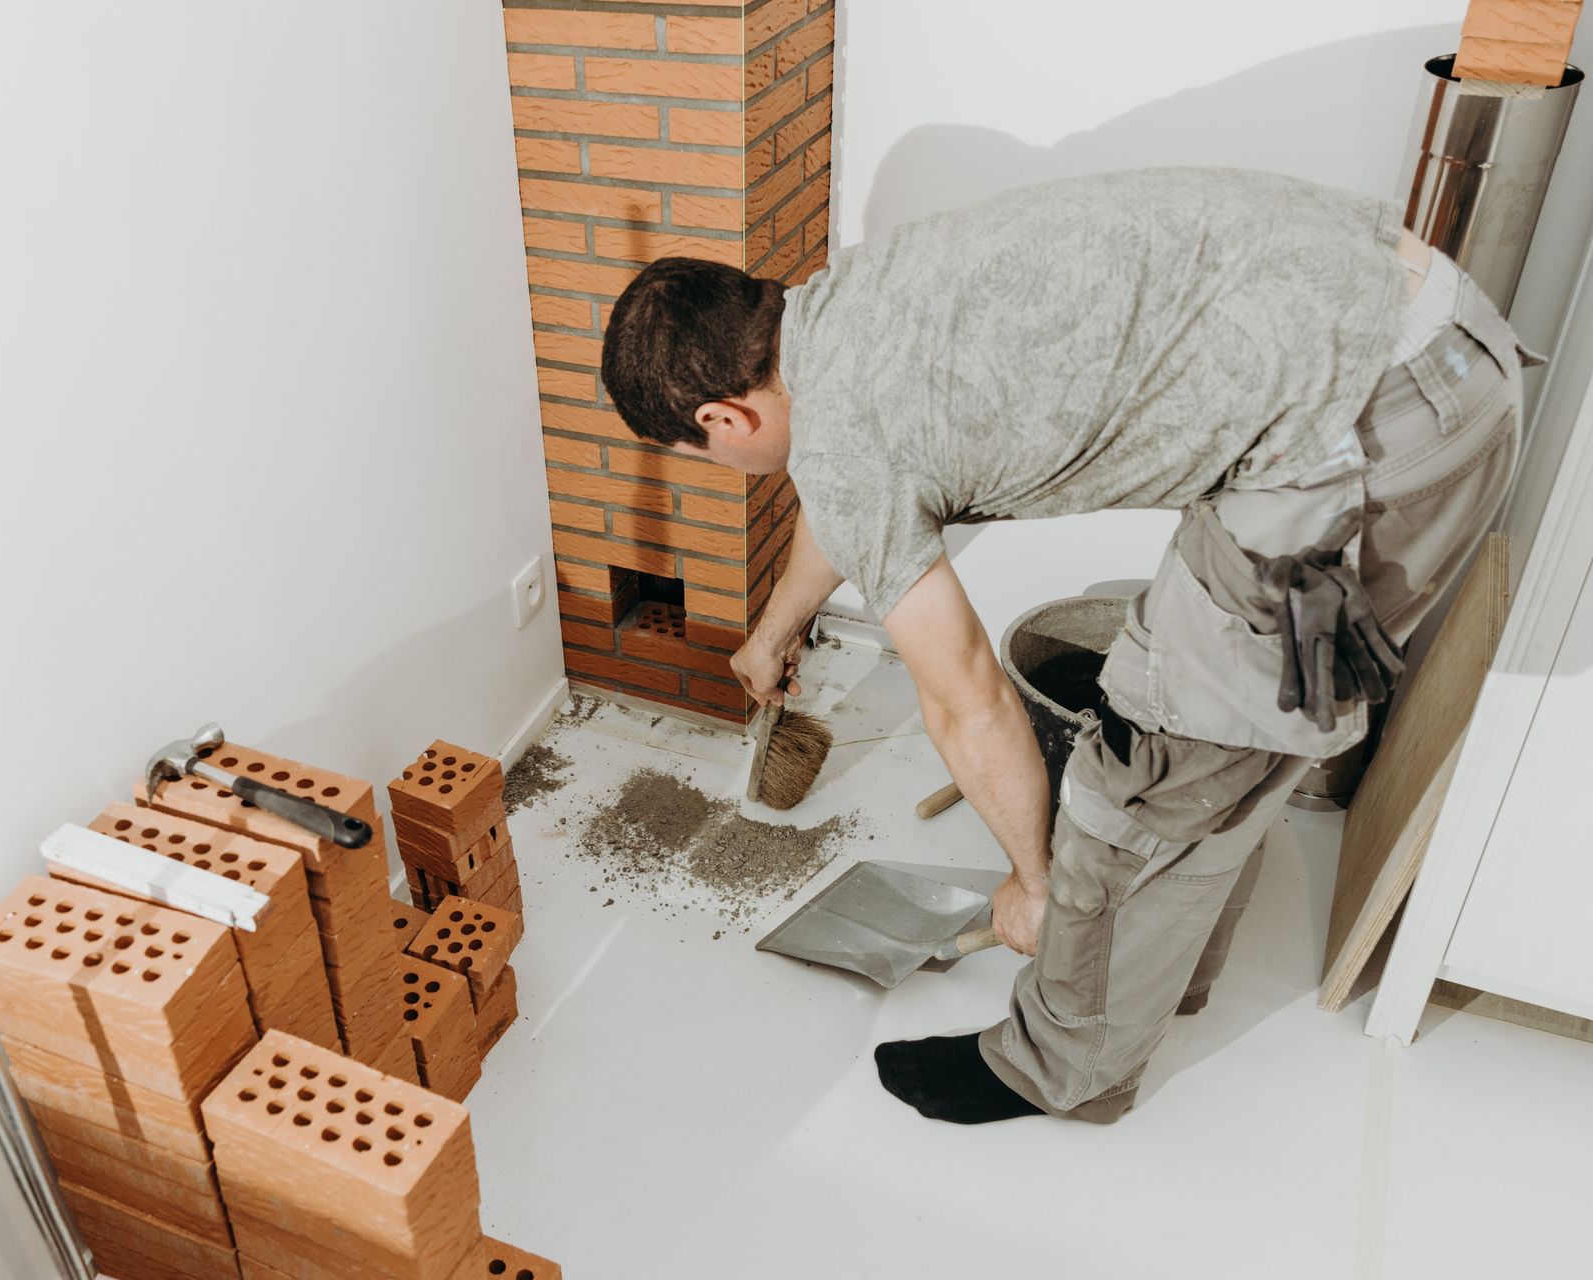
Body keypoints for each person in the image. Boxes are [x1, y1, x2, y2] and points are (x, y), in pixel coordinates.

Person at [597, 166, 1540, 1124]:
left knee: (1141, 780)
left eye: (701, 454)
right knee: (1233, 739)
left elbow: (967, 694)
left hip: (1375, 429)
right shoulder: (842, 309)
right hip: (1433, 329)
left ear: (722, 418)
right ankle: (1168, 975)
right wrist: (775, 631)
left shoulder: (843, 442)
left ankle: (1060, 1070)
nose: (722, 464)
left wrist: (1033, 881)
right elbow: (850, 497)